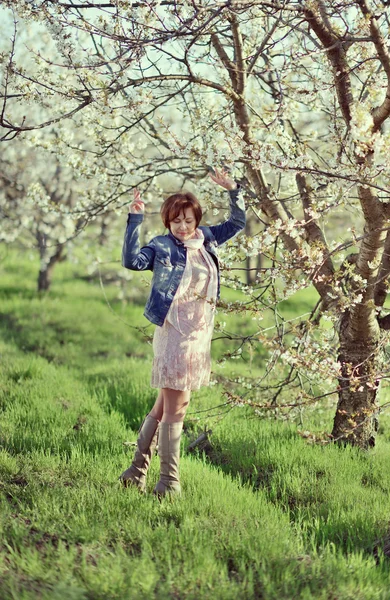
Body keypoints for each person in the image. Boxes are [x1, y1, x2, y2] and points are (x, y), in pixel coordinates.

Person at [119, 168, 246, 497]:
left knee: (164, 406)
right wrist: (134, 220)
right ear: (168, 222)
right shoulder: (162, 246)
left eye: (188, 220)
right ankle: (168, 483)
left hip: (198, 334)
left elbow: (238, 223)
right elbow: (132, 261)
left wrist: (234, 190)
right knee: (178, 407)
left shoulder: (208, 239)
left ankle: (135, 472)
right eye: (176, 221)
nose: (183, 227)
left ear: (196, 219)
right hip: (175, 333)